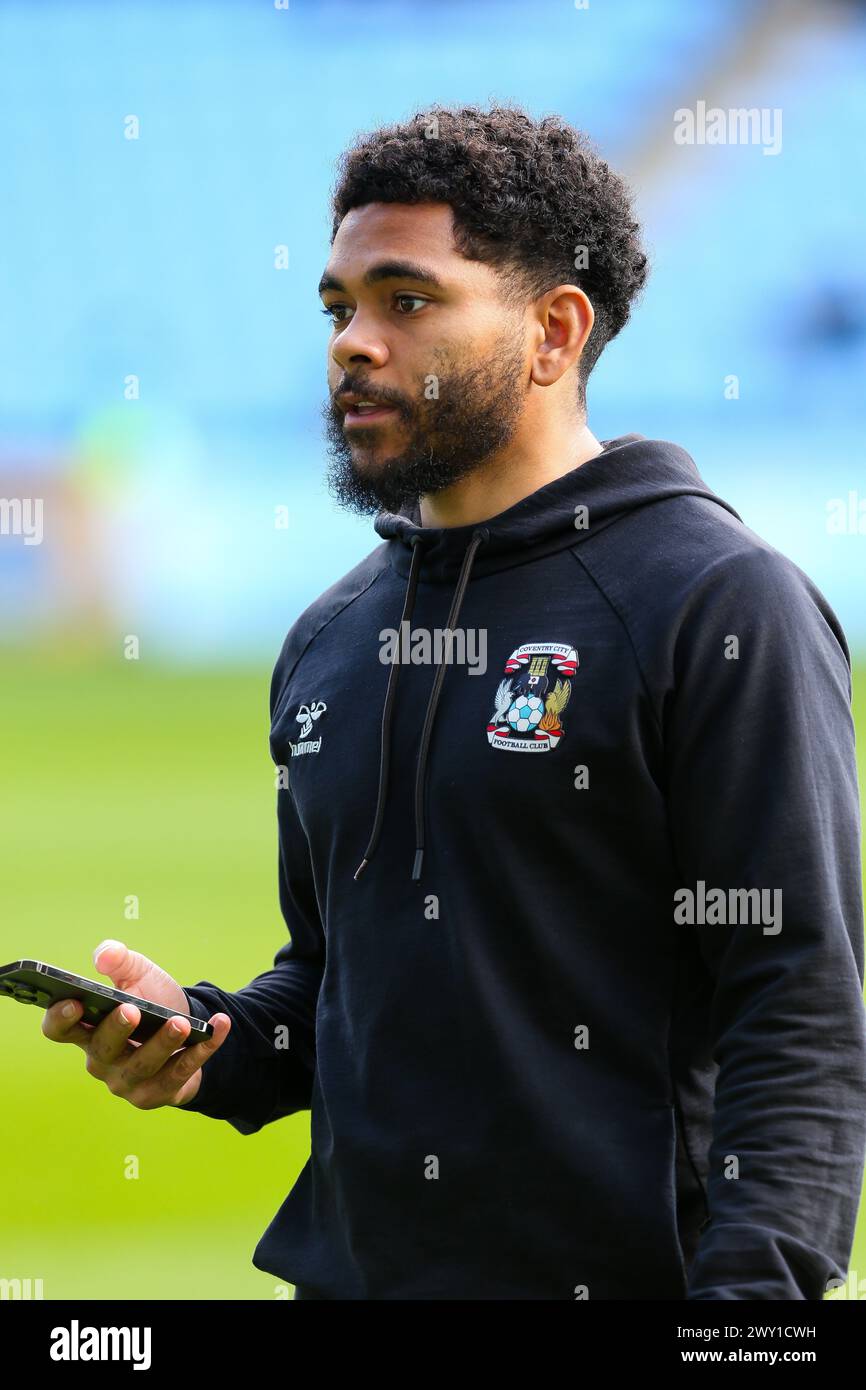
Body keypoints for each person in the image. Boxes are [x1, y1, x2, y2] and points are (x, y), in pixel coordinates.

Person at [43, 103, 866, 1301]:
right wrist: (204, 1044)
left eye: (405, 300)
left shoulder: (716, 604)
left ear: (551, 329)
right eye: (337, 307)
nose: (351, 344)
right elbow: (335, 986)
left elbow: (795, 1011)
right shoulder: (332, 634)